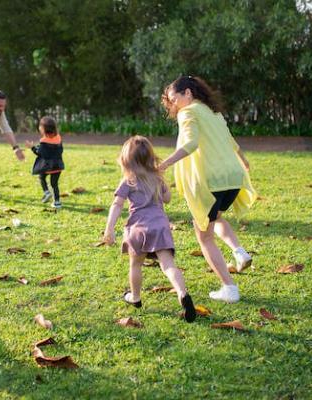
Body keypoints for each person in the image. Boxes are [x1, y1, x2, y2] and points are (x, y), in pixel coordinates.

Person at [159, 76, 257, 304]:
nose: (174, 106)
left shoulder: (188, 112)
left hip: (211, 182)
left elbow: (191, 144)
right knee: (215, 217)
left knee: (204, 236)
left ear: (188, 94)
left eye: (175, 99)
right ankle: (239, 252)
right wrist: (243, 160)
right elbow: (230, 140)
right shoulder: (213, 112)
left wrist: (165, 163)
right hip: (232, 178)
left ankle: (229, 288)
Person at [102, 136, 196, 322]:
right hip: (160, 226)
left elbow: (117, 204)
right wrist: (162, 181)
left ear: (126, 160)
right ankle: (182, 293)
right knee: (168, 265)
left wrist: (109, 229)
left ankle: (135, 297)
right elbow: (167, 199)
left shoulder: (128, 180)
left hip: (137, 228)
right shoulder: (156, 178)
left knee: (135, 264)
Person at [25, 116, 64, 209]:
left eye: (40, 126)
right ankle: (56, 200)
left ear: (43, 129)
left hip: (48, 167)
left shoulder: (44, 141)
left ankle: (48, 194)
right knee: (54, 184)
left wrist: (32, 147)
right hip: (58, 166)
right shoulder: (58, 138)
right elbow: (59, 150)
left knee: (42, 177)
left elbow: (40, 153)